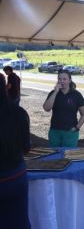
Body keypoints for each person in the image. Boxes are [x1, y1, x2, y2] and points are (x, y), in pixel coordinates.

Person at [0, 76, 31, 229]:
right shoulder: (18, 113)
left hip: (13, 175)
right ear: (5, 88)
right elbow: (26, 147)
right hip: (16, 177)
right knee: (19, 222)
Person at [43, 70, 84, 147]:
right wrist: (55, 92)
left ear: (69, 80)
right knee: (54, 155)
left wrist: (77, 128)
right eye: (59, 79)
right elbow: (46, 108)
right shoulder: (53, 93)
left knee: (68, 156)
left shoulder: (76, 95)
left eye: (64, 79)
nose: (62, 81)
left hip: (70, 131)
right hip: (55, 130)